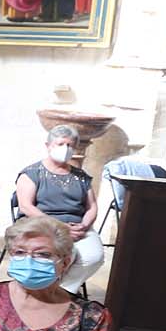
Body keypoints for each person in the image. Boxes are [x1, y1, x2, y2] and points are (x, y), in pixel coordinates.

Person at [16, 125, 103, 292]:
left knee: (94, 256)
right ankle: (43, 290)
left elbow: (92, 207)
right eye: (61, 144)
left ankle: (62, 291)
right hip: (42, 224)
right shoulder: (32, 173)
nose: (66, 149)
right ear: (48, 145)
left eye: (70, 145)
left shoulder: (81, 177)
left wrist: (84, 225)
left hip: (77, 227)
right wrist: (60, 227)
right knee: (62, 256)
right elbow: (26, 206)